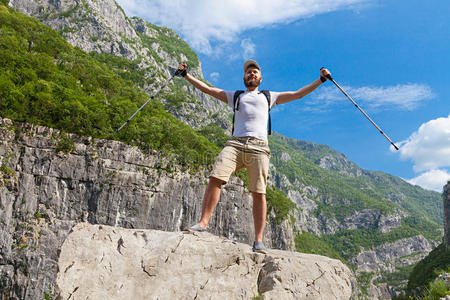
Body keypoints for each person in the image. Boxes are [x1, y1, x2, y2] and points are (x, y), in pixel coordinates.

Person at [178, 60, 331, 254]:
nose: (251, 74)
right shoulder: (235, 96)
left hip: (259, 147)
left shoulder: (268, 96)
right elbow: (207, 89)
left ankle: (258, 240)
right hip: (235, 144)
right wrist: (185, 75)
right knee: (215, 178)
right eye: (248, 72)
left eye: (255, 72)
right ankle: (203, 223)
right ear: (244, 78)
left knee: (259, 192)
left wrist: (321, 80)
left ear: (260, 77)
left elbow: (297, 94)